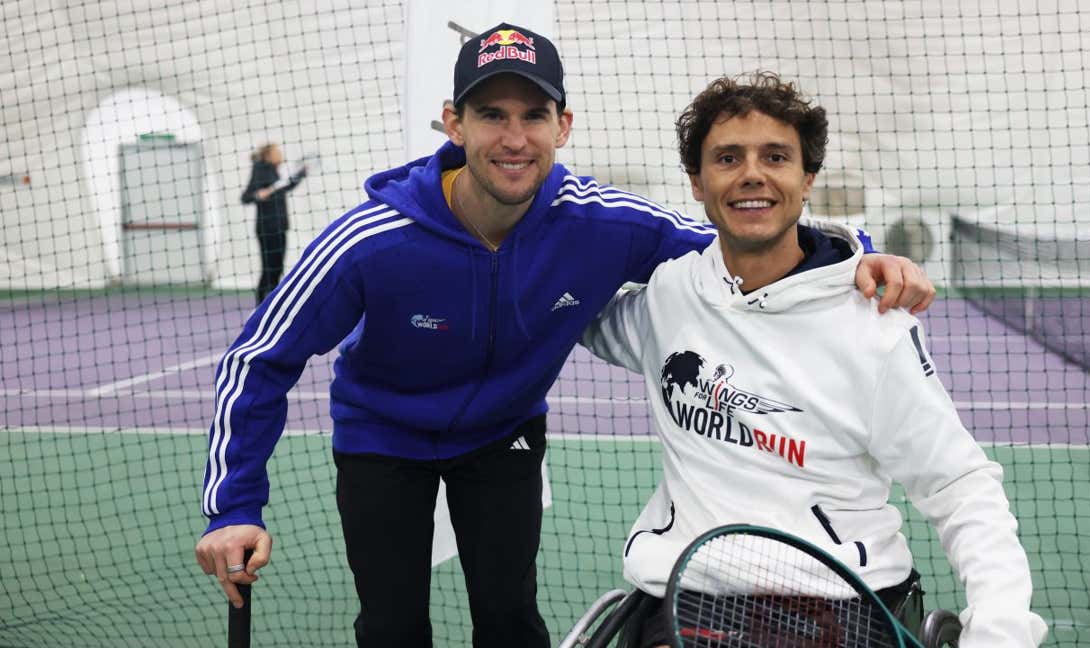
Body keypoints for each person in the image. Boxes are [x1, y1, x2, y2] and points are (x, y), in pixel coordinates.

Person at [195, 24, 935, 648]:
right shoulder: (370, 241)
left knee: (511, 620)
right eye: (492, 115)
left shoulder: (601, 222)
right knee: (391, 626)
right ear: (454, 124)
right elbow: (259, 361)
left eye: (533, 115)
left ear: (563, 125)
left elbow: (746, 236)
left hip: (503, 438)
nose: (513, 138)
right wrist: (233, 511)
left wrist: (853, 255)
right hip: (382, 440)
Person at [580, 72, 1047, 648]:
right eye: (728, 157)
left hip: (838, 606)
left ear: (807, 180)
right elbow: (566, 305)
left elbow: (959, 486)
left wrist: (999, 633)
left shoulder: (873, 327)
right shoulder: (673, 294)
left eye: (775, 156)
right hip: (682, 600)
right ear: (698, 184)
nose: (752, 173)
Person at [240, 143, 307, 304]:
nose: (280, 155)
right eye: (277, 152)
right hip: (266, 229)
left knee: (277, 268)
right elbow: (246, 197)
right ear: (269, 155)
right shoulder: (260, 170)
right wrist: (258, 195)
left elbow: (284, 187)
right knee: (269, 269)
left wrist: (300, 174)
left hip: (279, 227)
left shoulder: (273, 172)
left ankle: (272, 303)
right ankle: (261, 304)